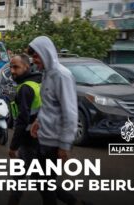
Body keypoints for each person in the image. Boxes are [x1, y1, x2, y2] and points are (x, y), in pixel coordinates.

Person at [29, 36, 83, 205]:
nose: (34, 61)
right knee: (40, 180)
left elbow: (70, 112)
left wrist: (64, 145)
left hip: (54, 143)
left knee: (46, 186)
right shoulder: (47, 74)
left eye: (36, 56)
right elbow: (48, 106)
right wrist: (38, 121)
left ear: (46, 53)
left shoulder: (62, 76)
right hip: (44, 138)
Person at [7, 54, 42, 205]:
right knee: (42, 181)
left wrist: (14, 146)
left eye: (16, 67)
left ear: (26, 67)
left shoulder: (26, 88)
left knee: (19, 179)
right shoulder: (38, 81)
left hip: (29, 140)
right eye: (11, 66)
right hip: (41, 138)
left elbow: (22, 120)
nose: (12, 70)